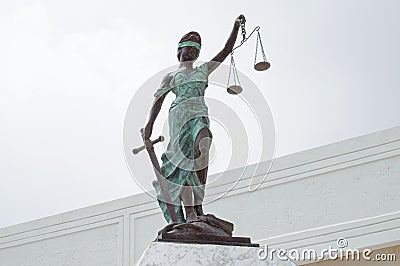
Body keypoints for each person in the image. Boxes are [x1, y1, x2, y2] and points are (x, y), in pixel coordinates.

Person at [144, 15, 246, 224]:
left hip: (199, 114)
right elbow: (158, 101)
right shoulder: (171, 77)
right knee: (184, 163)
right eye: (189, 48)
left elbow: (226, 50)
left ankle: (197, 204)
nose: (193, 52)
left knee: (204, 147)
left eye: (197, 50)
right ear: (179, 51)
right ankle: (192, 211)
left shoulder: (203, 70)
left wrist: (236, 26)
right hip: (179, 118)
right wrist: (148, 127)